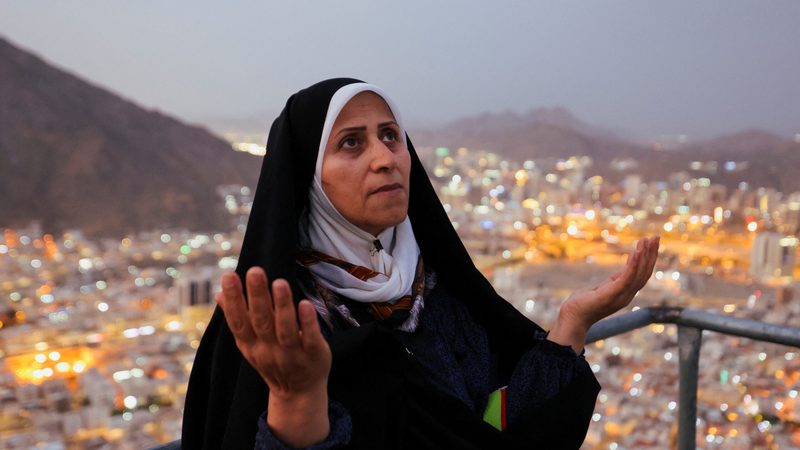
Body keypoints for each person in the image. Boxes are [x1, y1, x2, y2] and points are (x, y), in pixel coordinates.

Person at [181, 78, 660, 449]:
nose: (386, 157)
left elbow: (502, 429)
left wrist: (572, 324)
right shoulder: (272, 322)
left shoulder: (436, 296)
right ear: (307, 177)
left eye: (391, 136)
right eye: (352, 142)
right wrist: (294, 399)